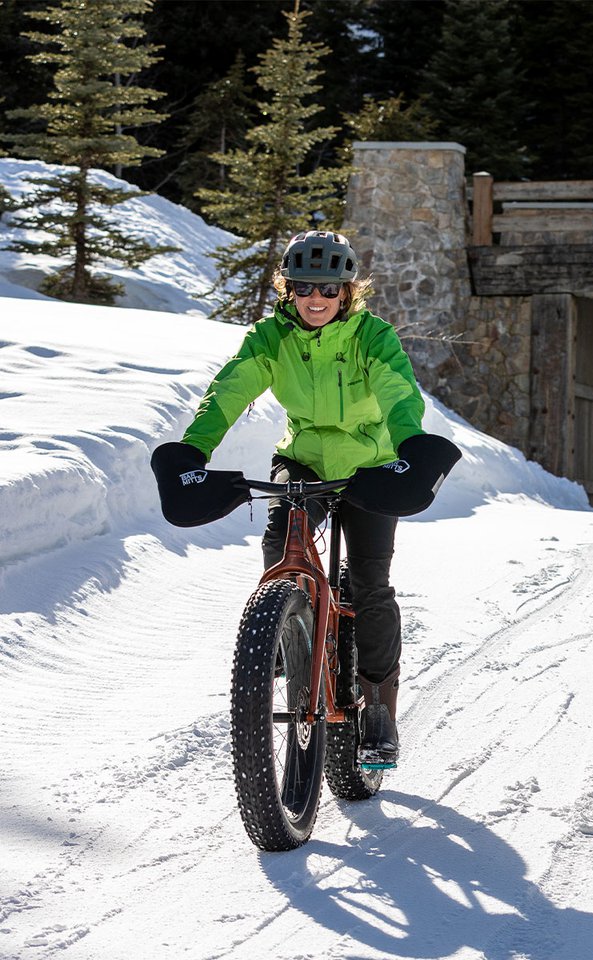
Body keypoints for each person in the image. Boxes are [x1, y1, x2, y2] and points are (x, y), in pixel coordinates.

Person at [160, 230, 428, 768]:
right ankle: (287, 634)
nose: (316, 298)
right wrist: (193, 450)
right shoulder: (271, 336)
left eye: (329, 289)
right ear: (288, 288)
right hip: (304, 457)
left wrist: (411, 448)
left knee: (371, 583)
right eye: (304, 286)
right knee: (281, 542)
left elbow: (399, 393)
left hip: (372, 463)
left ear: (347, 293)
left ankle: (378, 709)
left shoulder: (372, 336)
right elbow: (229, 390)